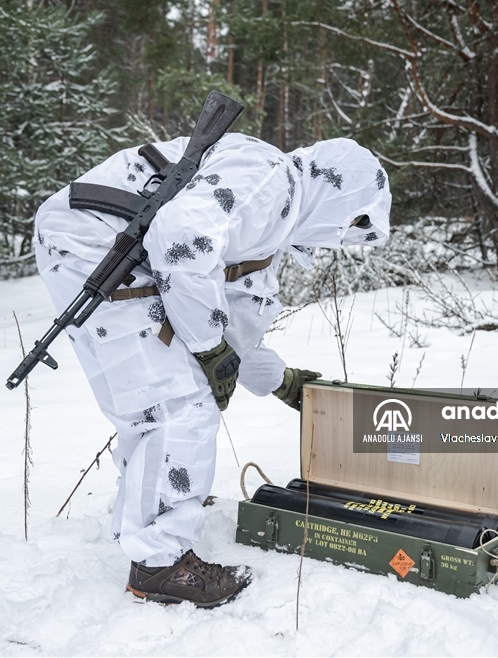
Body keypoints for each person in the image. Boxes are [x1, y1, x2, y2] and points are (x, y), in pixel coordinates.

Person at [33, 132, 391, 607]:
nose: (338, 238)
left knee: (153, 406)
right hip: (98, 246)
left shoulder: (269, 218)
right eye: (352, 222)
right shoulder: (270, 179)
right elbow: (180, 240)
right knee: (180, 406)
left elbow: (237, 327)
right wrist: (206, 350)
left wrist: (281, 382)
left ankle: (140, 528)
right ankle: (159, 564)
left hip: (85, 246)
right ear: (339, 194)